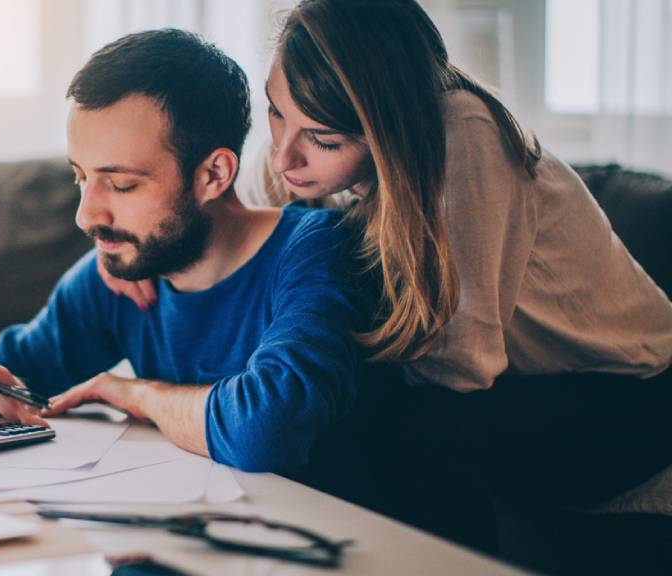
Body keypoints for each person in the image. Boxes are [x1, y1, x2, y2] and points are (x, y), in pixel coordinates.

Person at [101, 0, 672, 558]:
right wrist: (129, 245)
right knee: (305, 394)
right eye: (276, 112)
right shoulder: (299, 147)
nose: (284, 158)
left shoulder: (463, 136)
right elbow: (228, 222)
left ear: (390, 128)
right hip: (515, 386)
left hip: (627, 389)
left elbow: (463, 363)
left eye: (324, 140)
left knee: (383, 418)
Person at [0, 28, 363, 480]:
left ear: (213, 174)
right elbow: (19, 373)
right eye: (80, 177)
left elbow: (265, 433)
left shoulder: (318, 250)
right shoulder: (124, 269)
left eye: (121, 185)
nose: (86, 215)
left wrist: (137, 395)